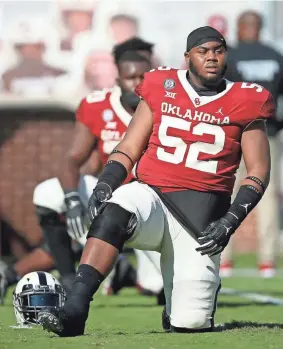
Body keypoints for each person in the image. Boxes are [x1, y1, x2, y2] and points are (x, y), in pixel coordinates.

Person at [38, 26, 273, 336]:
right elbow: (129, 147)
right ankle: (75, 309)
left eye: (218, 50)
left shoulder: (246, 98)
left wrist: (231, 220)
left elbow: (258, 170)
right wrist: (108, 180)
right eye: (203, 52)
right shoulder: (161, 85)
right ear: (188, 57)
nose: (212, 58)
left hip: (201, 219)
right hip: (153, 196)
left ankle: (182, 302)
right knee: (115, 209)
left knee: (190, 324)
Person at [32, 50, 163, 297]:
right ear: (118, 79)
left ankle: (126, 272)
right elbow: (73, 159)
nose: (136, 84)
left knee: (160, 288)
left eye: (143, 77)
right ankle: (70, 278)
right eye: (130, 77)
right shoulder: (98, 106)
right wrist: (72, 198)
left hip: (152, 204)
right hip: (110, 195)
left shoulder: (167, 108)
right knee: (47, 193)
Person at [223, 11, 283, 277]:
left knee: (226, 191)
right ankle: (267, 260)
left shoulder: (230, 56)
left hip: (234, 134)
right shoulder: (275, 57)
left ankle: (223, 257)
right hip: (267, 132)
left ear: (241, 28)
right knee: (267, 195)